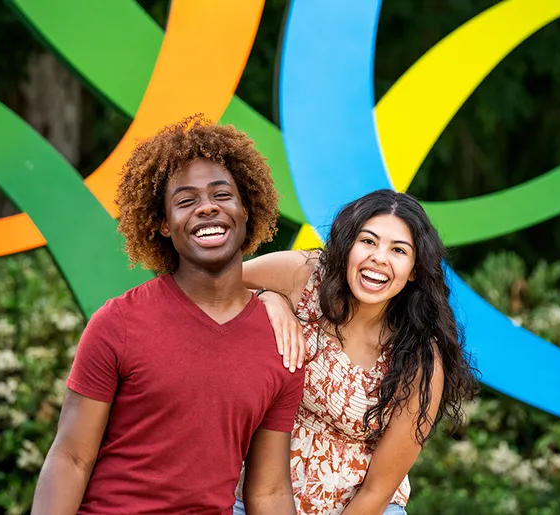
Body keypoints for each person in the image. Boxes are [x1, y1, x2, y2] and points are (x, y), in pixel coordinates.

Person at [31, 114, 304, 515]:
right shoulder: (118, 323)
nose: (207, 208)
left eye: (222, 195)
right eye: (186, 201)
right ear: (162, 224)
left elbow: (270, 491)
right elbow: (71, 457)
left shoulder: (283, 345)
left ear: (247, 208)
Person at [234, 189, 481, 514]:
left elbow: (378, 490)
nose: (379, 257)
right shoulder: (303, 277)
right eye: (368, 241)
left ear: (415, 270)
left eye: (398, 250)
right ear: (347, 245)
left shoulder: (418, 360)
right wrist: (268, 298)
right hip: (256, 491)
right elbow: (212, 284)